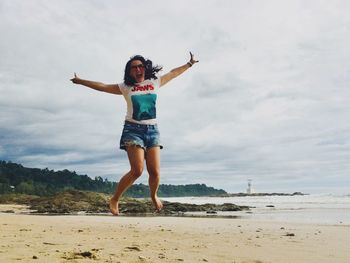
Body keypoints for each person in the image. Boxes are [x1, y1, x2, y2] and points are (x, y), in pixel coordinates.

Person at [70, 52, 199, 215]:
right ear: (129, 71)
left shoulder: (154, 82)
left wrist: (189, 64)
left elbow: (173, 73)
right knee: (137, 170)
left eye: (140, 66)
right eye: (134, 67)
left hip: (153, 130)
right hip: (132, 130)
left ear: (144, 68)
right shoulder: (125, 87)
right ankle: (115, 199)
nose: (138, 69)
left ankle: (153, 195)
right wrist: (81, 81)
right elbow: (102, 86)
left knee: (155, 172)